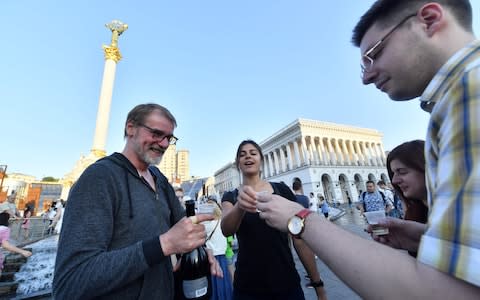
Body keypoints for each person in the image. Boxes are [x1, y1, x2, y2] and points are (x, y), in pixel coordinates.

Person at [254, 1, 480, 298]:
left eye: (374, 54)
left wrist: (301, 219)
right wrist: (425, 238)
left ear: (428, 19)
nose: (366, 76)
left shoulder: (468, 96)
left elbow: (446, 292)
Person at [53, 103, 221, 299]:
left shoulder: (159, 179)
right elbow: (71, 281)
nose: (165, 144)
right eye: (157, 133)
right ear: (130, 128)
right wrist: (163, 244)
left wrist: (198, 248)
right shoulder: (99, 178)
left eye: (169, 138)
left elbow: (184, 227)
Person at [221, 140, 327, 300]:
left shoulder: (282, 190)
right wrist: (240, 206)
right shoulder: (231, 196)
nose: (248, 156)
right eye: (242, 155)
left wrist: (318, 284)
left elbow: (299, 239)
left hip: (286, 282)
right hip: (247, 286)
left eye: (253, 153)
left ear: (261, 160)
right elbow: (226, 229)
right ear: (238, 164)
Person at [373, 140, 430, 257]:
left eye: (402, 171)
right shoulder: (413, 213)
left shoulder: (463, 211)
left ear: (427, 168)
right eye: (393, 173)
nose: (394, 180)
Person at [203, 196, 233, 300]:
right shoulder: (222, 222)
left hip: (211, 258)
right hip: (223, 255)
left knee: (213, 285)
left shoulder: (206, 225)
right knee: (225, 282)